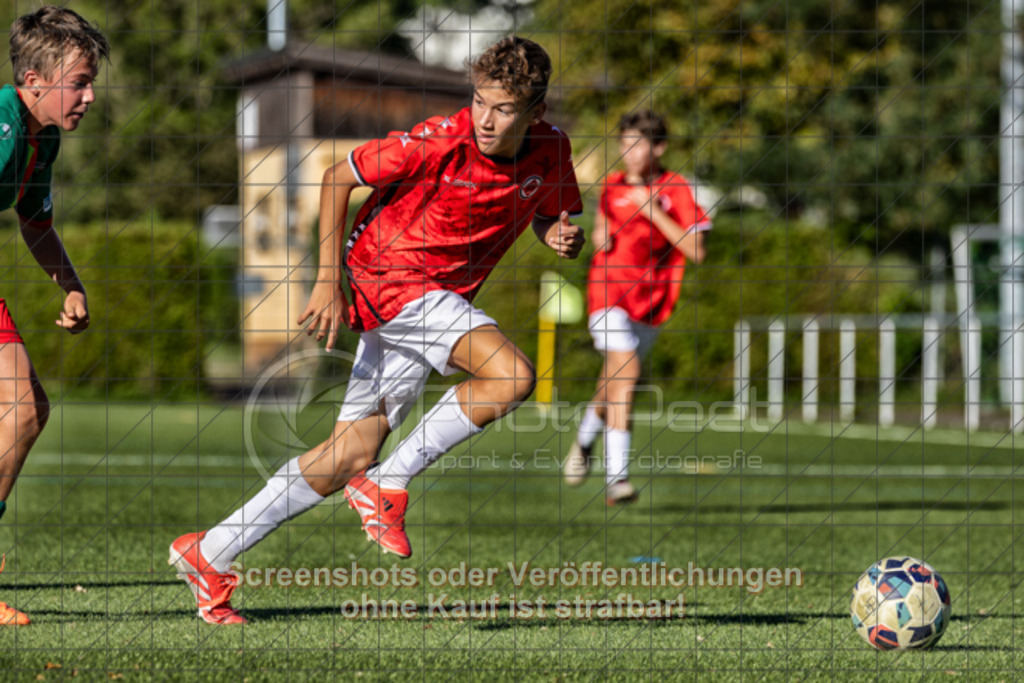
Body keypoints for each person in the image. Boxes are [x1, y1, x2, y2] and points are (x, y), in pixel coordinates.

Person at [170, 36, 585, 624]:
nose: (486, 120)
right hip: (390, 275)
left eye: (503, 108)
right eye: (479, 101)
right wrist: (324, 281)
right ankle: (388, 483)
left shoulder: (552, 150)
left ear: (535, 112)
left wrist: (562, 238)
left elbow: (551, 214)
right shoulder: (444, 138)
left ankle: (209, 553)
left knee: (351, 451)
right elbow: (337, 177)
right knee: (512, 376)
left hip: (435, 296)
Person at [0, 7, 109, 626]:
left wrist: (69, 283)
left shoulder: (42, 137)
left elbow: (35, 222)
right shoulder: (4, 126)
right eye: (80, 82)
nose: (89, 97)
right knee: (20, 411)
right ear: (36, 79)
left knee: (25, 411)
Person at [564, 110, 710, 505]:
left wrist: (654, 212)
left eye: (638, 144)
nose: (628, 152)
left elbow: (696, 251)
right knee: (626, 372)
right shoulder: (610, 187)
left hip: (651, 304)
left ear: (658, 148)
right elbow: (601, 229)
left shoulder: (674, 188)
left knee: (612, 382)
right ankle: (618, 479)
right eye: (624, 143)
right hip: (607, 296)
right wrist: (598, 233)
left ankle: (582, 443)